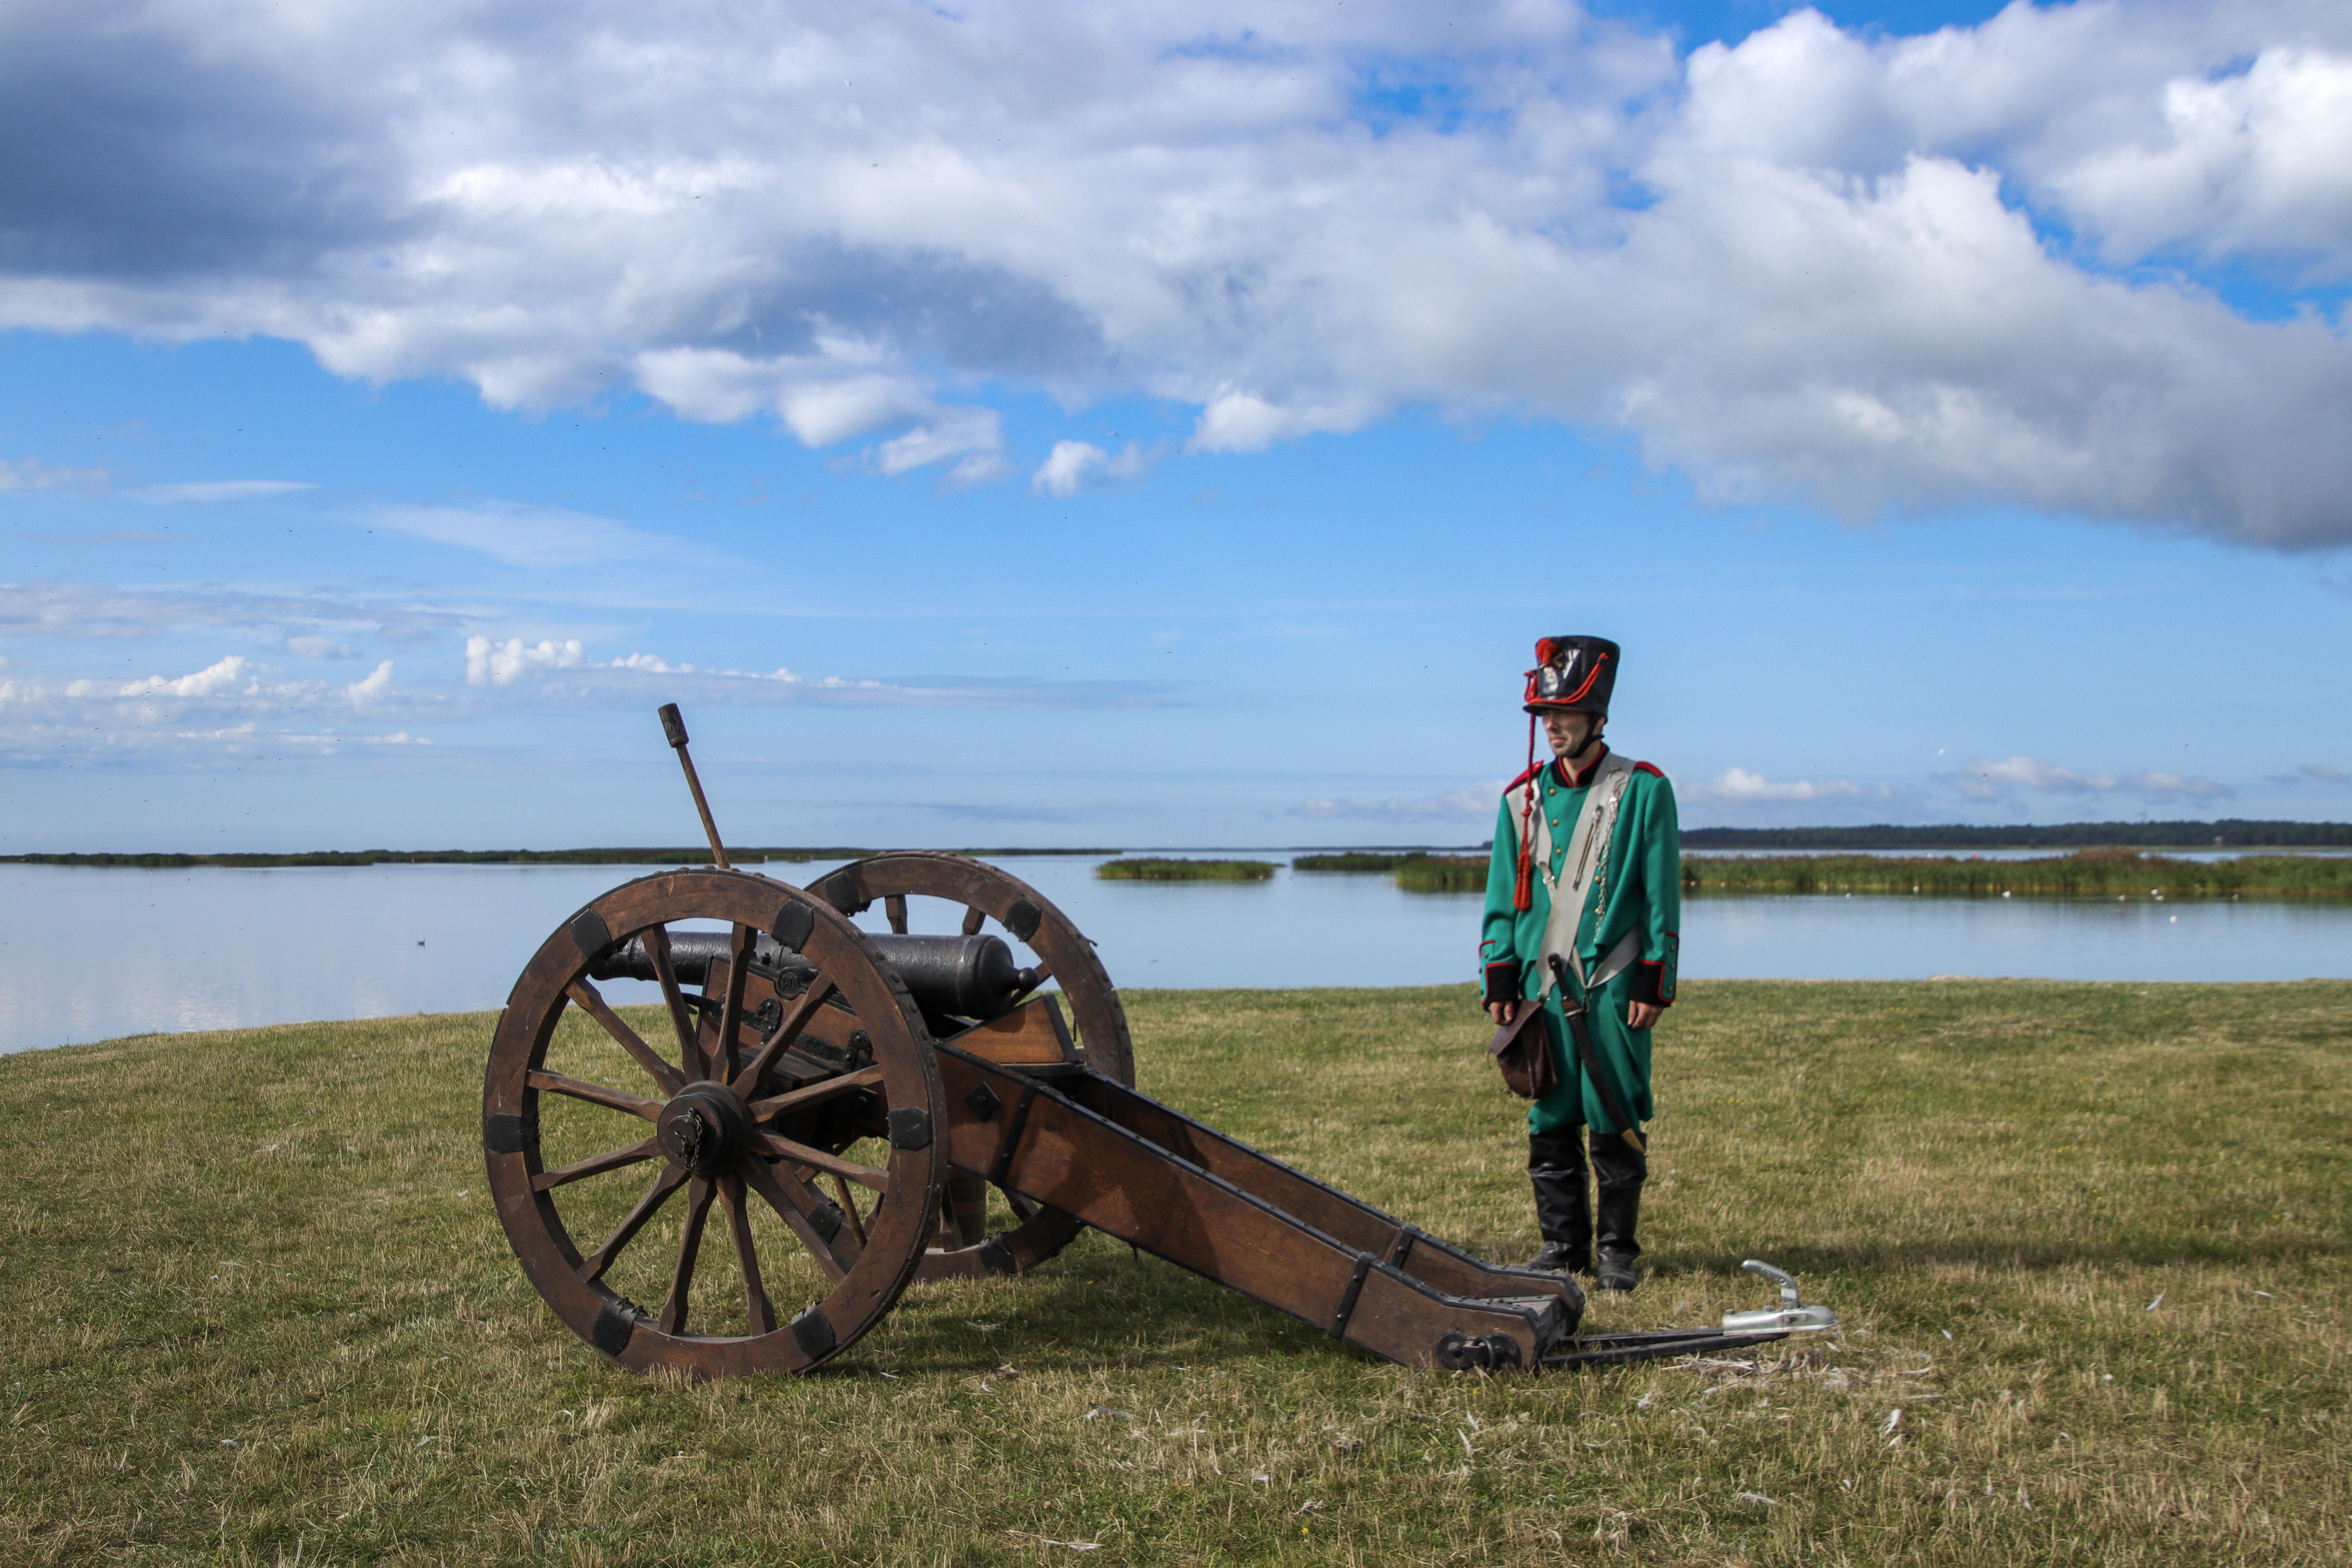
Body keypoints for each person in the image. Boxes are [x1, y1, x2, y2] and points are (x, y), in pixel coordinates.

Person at [1479, 635, 1680, 1292]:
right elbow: (1502, 899)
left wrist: (1656, 977)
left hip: (1613, 980)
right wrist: (1500, 973)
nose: (1553, 726)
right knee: (1551, 1112)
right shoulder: (1520, 801)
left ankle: (1618, 1252)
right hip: (1543, 985)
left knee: (1614, 1108)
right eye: (1545, 715)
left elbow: (1660, 893)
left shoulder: (1645, 791)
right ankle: (1563, 1248)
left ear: (1598, 718)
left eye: (1564, 713)